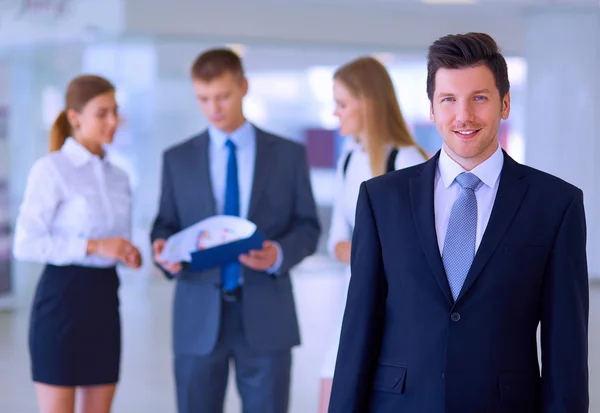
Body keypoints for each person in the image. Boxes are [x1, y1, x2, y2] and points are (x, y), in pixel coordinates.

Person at [328, 32, 589, 413]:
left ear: (505, 103)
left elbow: (566, 346)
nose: (463, 115)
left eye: (479, 98)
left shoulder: (555, 204)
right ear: (432, 109)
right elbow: (358, 330)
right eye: (448, 99)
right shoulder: (381, 198)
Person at [150, 48, 321, 413]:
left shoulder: (288, 155)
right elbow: (165, 223)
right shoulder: (177, 158)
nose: (214, 108)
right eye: (203, 99)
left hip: (267, 316)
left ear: (243, 86)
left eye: (223, 96)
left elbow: (308, 225)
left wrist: (279, 253)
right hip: (197, 316)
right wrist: (163, 250)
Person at [13, 75, 142, 413]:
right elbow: (26, 243)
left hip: (104, 301)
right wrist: (96, 246)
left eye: (115, 111)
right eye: (102, 113)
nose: (113, 121)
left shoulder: (120, 177)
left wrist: (128, 252)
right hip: (61, 303)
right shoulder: (51, 170)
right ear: (74, 117)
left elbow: (116, 241)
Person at [317, 56, 428, 413]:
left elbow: (421, 252)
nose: (336, 113)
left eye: (342, 104)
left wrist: (365, 253)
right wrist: (355, 251)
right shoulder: (348, 159)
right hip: (351, 301)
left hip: (395, 311)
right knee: (330, 396)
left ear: (367, 103)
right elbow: (337, 236)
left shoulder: (408, 160)